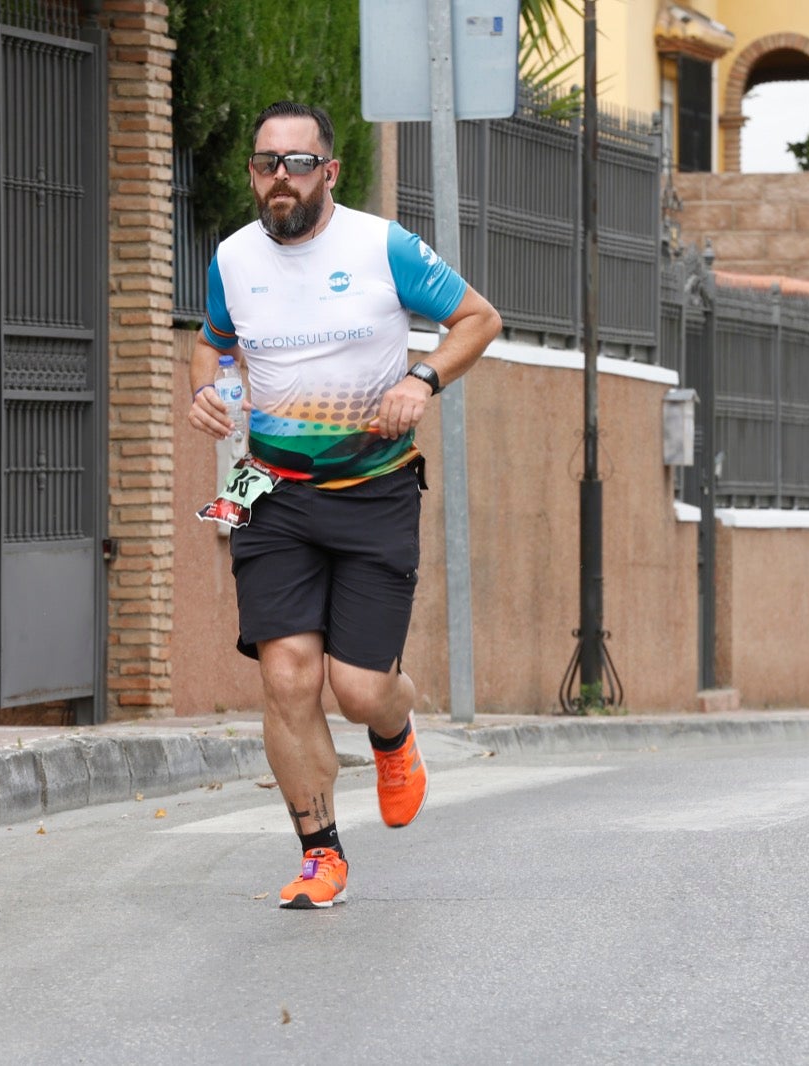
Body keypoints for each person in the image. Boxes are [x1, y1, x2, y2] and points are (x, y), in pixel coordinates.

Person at [186, 101, 502, 908]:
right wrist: (206, 388)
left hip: (375, 491)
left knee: (359, 689)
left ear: (328, 171)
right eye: (265, 163)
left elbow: (478, 317)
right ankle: (319, 851)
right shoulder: (232, 258)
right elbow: (211, 339)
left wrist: (420, 378)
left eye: (296, 162)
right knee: (288, 680)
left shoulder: (380, 246)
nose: (279, 177)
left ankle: (393, 735)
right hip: (273, 492)